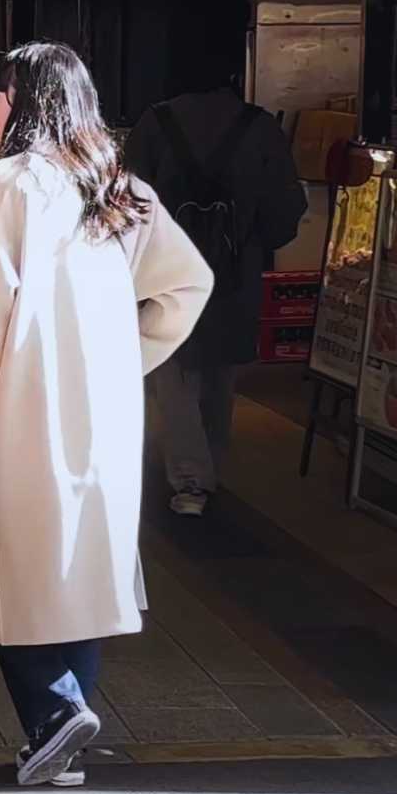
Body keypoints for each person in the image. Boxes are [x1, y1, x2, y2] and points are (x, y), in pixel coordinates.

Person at [0, 42, 212, 789]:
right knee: (83, 569)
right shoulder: (121, 187)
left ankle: (57, 713)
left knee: (12, 572)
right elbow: (188, 285)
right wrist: (129, 359)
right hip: (109, 413)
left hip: (21, 408)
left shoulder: (6, 185)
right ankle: (60, 743)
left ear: (26, 102)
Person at [124, 39, 310, 517]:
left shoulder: (154, 124)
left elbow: (125, 203)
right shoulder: (259, 126)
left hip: (165, 270)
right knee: (220, 376)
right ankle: (207, 469)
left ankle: (190, 480)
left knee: (173, 371)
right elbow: (286, 209)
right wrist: (252, 243)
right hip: (234, 275)